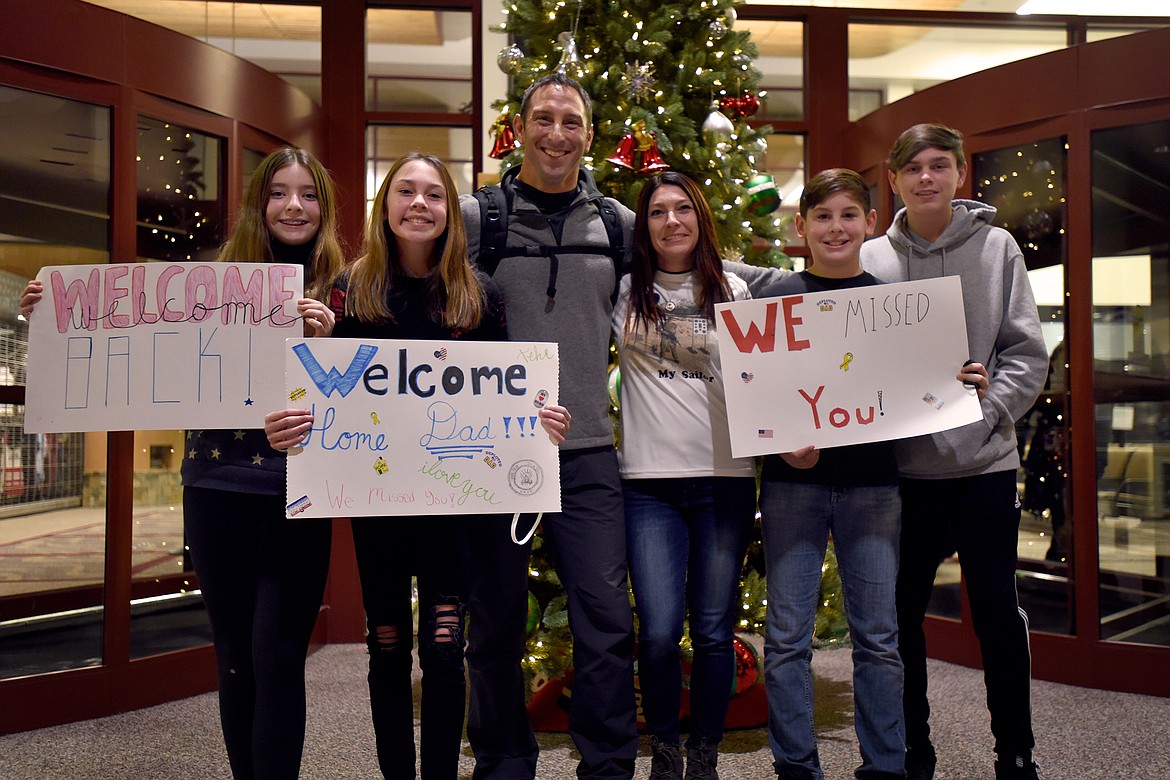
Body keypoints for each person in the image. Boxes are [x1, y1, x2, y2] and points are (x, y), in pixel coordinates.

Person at [20, 146, 345, 779]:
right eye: (279, 192)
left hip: (298, 493)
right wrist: (53, 316)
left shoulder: (344, 287)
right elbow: (141, 352)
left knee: (277, 656)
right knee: (233, 657)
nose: (294, 206)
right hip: (217, 486)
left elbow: (369, 407)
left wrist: (330, 351)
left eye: (308, 194)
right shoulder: (210, 280)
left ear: (325, 209)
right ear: (259, 202)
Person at [263, 152, 570, 780]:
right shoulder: (352, 288)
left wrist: (538, 424)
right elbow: (325, 389)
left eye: (434, 194)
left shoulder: (477, 294)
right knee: (386, 648)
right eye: (406, 191)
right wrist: (312, 365)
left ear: (449, 213)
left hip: (454, 508)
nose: (420, 204)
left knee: (443, 649)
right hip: (379, 505)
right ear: (387, 206)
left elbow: (506, 393)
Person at [457, 71, 640, 780]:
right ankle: (503, 760)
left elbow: (700, 280)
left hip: (588, 450)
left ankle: (606, 766)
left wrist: (816, 282)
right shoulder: (479, 218)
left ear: (589, 135)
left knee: (605, 621)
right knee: (494, 622)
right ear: (520, 126)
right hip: (493, 454)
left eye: (571, 121)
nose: (557, 133)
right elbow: (425, 301)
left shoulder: (619, 226)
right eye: (544, 118)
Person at [860, 124, 1048, 780]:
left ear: (961, 175)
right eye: (913, 169)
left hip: (985, 465)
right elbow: (856, 363)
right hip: (906, 473)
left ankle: (1015, 752)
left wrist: (989, 411)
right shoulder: (873, 260)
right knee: (900, 618)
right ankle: (914, 750)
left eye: (940, 166)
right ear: (895, 180)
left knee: (997, 612)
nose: (927, 179)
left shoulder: (997, 249)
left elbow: (1027, 352)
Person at [757, 169, 904, 780]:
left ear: (869, 224)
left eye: (849, 215)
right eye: (822, 216)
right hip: (793, 487)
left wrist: (957, 379)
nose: (836, 227)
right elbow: (755, 392)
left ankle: (884, 767)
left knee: (878, 638)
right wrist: (780, 441)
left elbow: (912, 388)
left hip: (874, 485)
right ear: (802, 228)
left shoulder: (896, 307)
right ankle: (796, 765)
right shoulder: (775, 303)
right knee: (788, 637)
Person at [612, 170, 756, 780]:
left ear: (700, 218)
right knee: (661, 632)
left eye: (683, 210)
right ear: (643, 227)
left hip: (725, 480)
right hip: (648, 485)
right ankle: (665, 749)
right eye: (657, 212)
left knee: (716, 631)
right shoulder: (623, 293)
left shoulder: (737, 293)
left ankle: (705, 754)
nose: (672, 221)